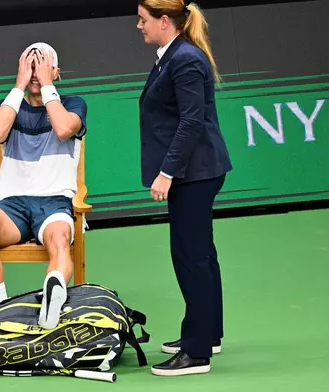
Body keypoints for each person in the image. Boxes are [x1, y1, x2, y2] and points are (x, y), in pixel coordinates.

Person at [136, 0, 233, 377]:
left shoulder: (185, 59)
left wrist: (167, 173)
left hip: (195, 172)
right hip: (195, 171)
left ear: (164, 21)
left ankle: (196, 353)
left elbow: (191, 122)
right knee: (201, 255)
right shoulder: (172, 55)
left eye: (143, 20)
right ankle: (207, 334)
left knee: (190, 257)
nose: (138, 26)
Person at [0, 42, 87, 330]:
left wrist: (47, 86)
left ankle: (52, 297)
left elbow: (62, 129)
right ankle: (1, 307)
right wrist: (19, 86)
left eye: (43, 65)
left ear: (56, 72)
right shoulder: (9, 105)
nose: (36, 72)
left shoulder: (73, 104)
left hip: (55, 201)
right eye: (30, 65)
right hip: (13, 206)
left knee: (59, 240)